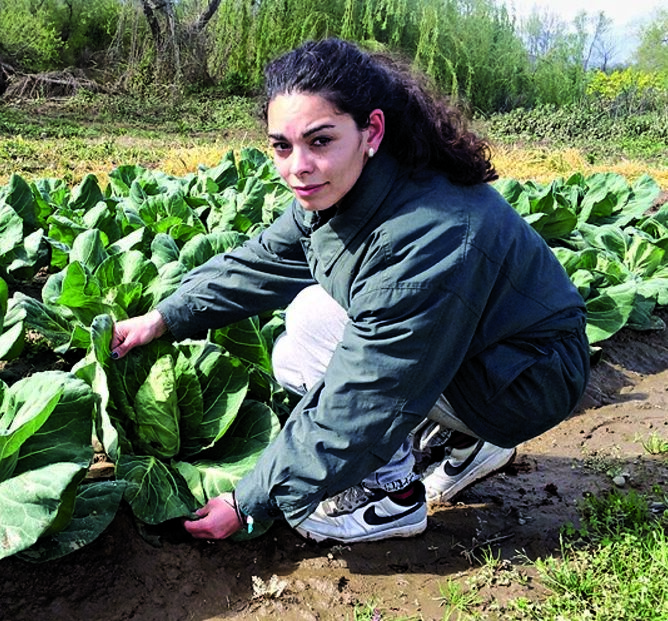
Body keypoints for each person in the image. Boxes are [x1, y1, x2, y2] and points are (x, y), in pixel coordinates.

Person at [110, 38, 590, 544]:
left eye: (319, 141)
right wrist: (163, 318)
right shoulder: (352, 184)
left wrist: (248, 500)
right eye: (281, 146)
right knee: (309, 329)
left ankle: (394, 497)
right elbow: (262, 261)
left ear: (372, 131)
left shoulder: (430, 233)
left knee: (309, 328)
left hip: (528, 381)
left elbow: (366, 392)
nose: (297, 166)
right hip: (491, 353)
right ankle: (469, 442)